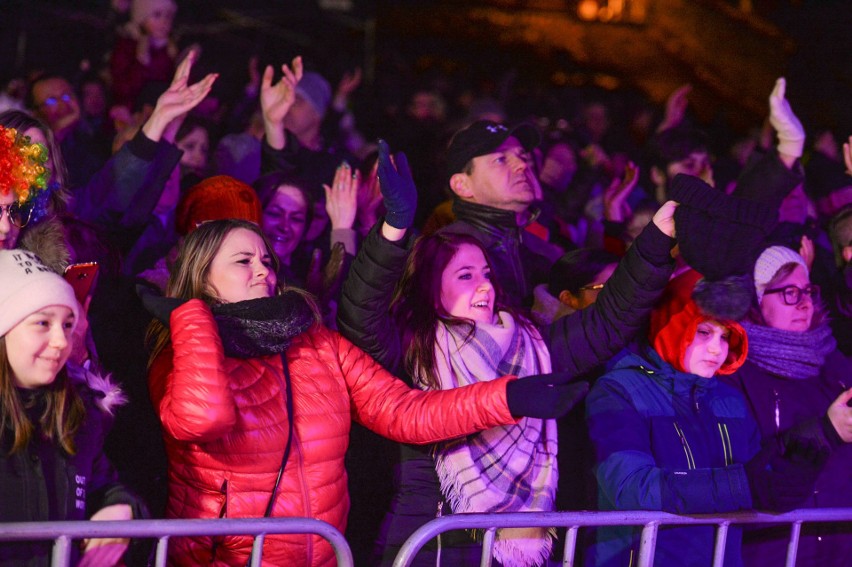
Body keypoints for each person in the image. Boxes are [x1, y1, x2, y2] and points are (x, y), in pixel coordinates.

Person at [141, 218, 578, 566]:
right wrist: (192, 321)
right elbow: (202, 419)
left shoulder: (315, 343)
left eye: (267, 260)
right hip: (224, 561)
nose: (263, 270)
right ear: (203, 275)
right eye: (243, 261)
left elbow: (403, 411)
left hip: (322, 554)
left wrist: (508, 398)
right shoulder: (181, 350)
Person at [338, 140, 679, 565]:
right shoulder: (411, 347)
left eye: (486, 273)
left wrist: (656, 241)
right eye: (464, 275)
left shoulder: (532, 343)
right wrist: (394, 227)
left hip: (515, 555)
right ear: (430, 287)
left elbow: (607, 321)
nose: (484, 285)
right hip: (433, 546)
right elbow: (359, 313)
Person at [586, 269, 850, 567]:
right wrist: (744, 484)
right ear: (674, 324)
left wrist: (819, 436)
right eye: (703, 332)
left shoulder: (727, 400)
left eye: (726, 336)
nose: (717, 349)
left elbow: (760, 475)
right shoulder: (620, 390)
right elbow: (631, 487)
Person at [0, 249, 140, 567]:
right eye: (42, 323)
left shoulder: (78, 414)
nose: (62, 341)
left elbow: (102, 484)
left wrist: (120, 506)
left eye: (66, 324)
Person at [721, 246, 852, 566]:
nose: (805, 302)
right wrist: (825, 431)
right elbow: (745, 472)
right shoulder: (735, 374)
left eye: (807, 290)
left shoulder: (834, 364)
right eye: (789, 293)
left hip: (840, 547)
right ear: (756, 299)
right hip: (774, 550)